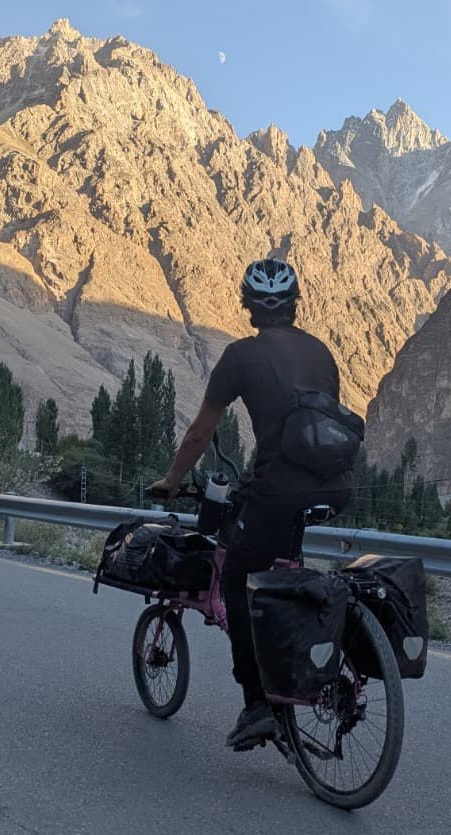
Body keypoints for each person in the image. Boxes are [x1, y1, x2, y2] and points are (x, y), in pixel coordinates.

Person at [149, 258, 353, 749]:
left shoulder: (240, 357)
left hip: (278, 490)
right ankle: (311, 662)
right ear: (294, 304)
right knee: (284, 572)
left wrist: (173, 479)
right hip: (336, 487)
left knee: (240, 580)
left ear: (246, 305)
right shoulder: (322, 353)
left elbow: (201, 431)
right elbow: (312, 427)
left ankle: (257, 704)